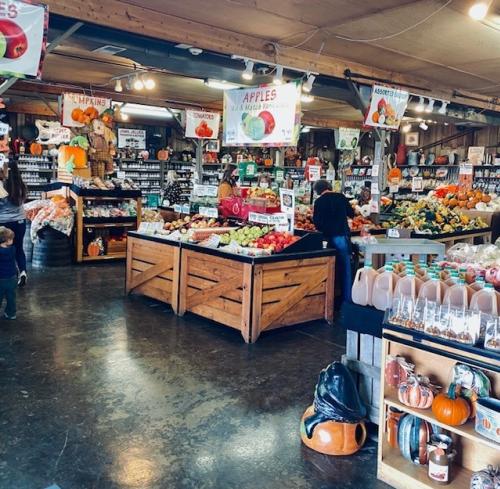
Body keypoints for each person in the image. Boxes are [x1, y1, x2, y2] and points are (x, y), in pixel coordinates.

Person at [313, 179, 354, 303]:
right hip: (341, 236)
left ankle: (328, 300)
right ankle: (347, 299)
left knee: (328, 267)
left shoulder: (318, 201)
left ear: (318, 191)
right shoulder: (341, 197)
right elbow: (351, 213)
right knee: (346, 267)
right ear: (329, 187)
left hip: (325, 238)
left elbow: (317, 222)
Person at [0, 160, 27, 287]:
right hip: (21, 221)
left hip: (4, 223)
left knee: (4, 249)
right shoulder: (21, 185)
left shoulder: (2, 186)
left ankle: (9, 274)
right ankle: (23, 272)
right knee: (19, 248)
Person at [0, 227, 17, 319]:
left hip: (1, 279)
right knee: (11, 297)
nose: (13, 240)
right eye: (11, 239)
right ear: (6, 240)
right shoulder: (12, 249)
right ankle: (11, 313)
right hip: (12, 277)